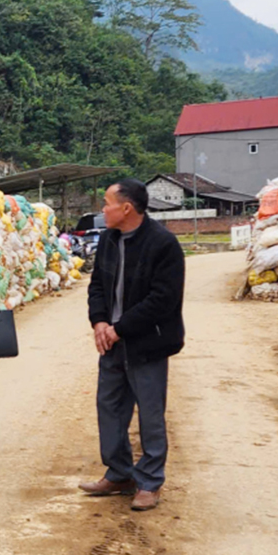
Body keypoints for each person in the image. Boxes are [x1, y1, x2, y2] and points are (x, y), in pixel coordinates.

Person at [81, 179, 185, 511]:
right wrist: (99, 321)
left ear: (126, 208)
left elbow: (162, 300)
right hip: (111, 341)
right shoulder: (110, 240)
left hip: (146, 343)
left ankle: (150, 482)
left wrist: (120, 328)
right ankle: (120, 473)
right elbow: (97, 284)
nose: (102, 209)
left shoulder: (163, 244)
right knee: (109, 407)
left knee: (150, 414)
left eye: (106, 203)